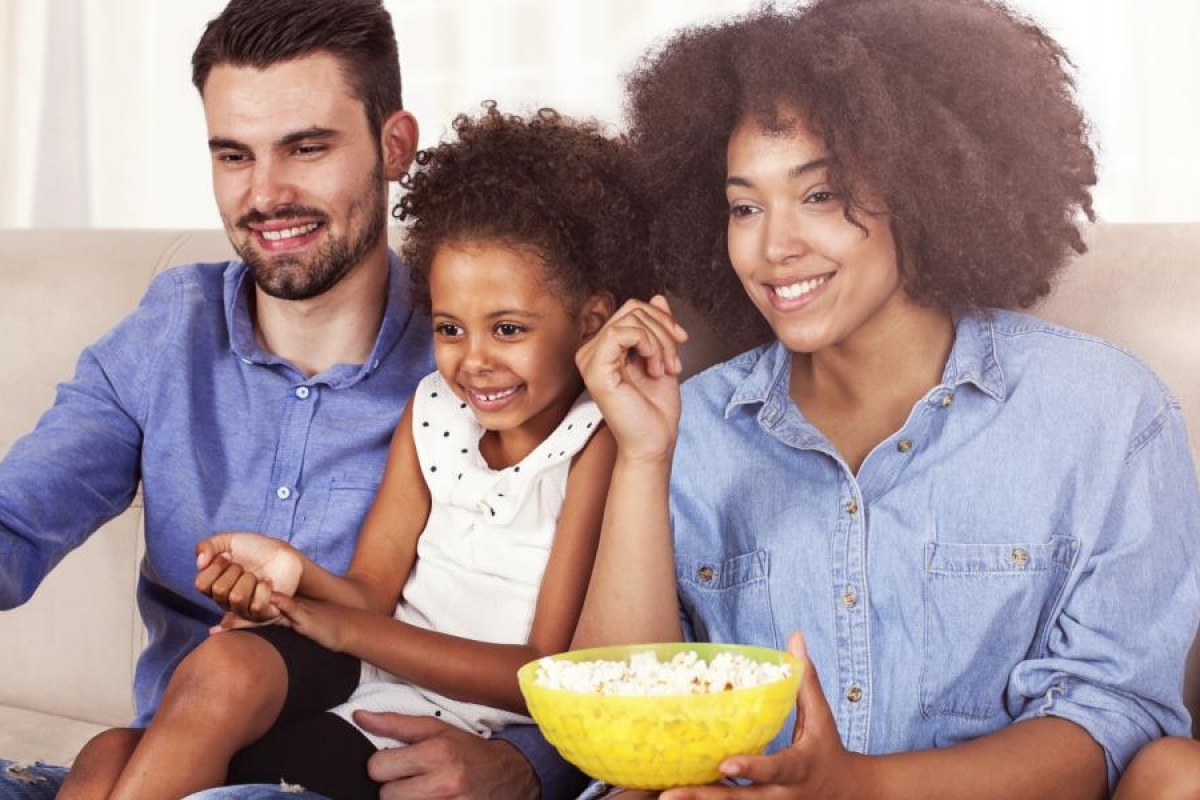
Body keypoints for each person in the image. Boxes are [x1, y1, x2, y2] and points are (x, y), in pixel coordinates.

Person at [572, 0, 1200, 797]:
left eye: (822, 195)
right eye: (744, 206)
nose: (775, 248)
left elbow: (1112, 720)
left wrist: (858, 786)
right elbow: (617, 729)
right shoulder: (689, 430)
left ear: (923, 185)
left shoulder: (1104, 415)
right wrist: (643, 457)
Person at [0, 2, 584, 798]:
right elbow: (18, 517)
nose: (266, 194)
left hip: (355, 763)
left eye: (306, 148)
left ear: (395, 146)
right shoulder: (168, 328)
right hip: (160, 762)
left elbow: (633, 640)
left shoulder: (483, 367)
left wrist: (529, 771)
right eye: (234, 155)